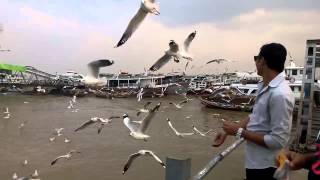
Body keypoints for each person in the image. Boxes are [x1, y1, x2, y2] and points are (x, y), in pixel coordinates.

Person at [212, 43, 295, 180]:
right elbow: (255, 116)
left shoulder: (280, 94)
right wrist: (229, 131)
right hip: (257, 164)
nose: (255, 62)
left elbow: (277, 141)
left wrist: (238, 132)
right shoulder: (265, 86)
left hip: (268, 167)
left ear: (262, 61)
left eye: (256, 58)